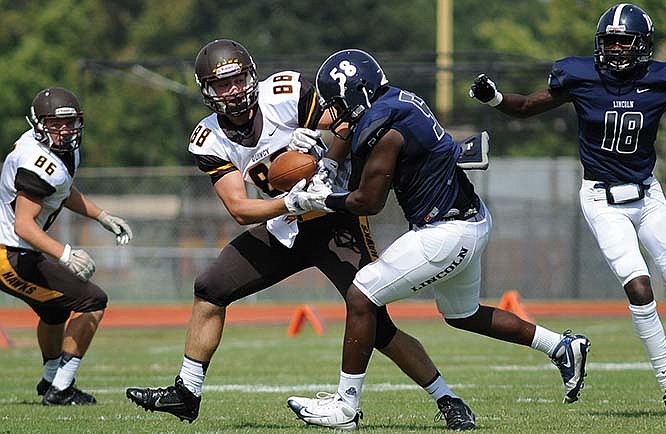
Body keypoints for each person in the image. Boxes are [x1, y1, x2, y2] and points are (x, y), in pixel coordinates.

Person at [125, 39, 474, 428]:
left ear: (251, 76)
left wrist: (325, 152)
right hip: (285, 225)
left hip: (333, 220)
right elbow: (240, 209)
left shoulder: (286, 95)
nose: (234, 90)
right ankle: (186, 393)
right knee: (210, 288)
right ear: (206, 91)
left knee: (374, 321)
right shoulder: (208, 138)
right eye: (222, 85)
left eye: (238, 79)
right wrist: (291, 205)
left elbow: (352, 121)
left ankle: (448, 399)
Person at [285, 48, 591, 431]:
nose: (335, 114)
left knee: (361, 295)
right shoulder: (397, 100)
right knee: (463, 314)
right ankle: (560, 346)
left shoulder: (383, 129)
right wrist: (324, 152)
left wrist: (314, 198)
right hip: (471, 221)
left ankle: (345, 406)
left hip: (445, 233)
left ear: (356, 95)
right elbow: (361, 152)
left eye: (337, 105)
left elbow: (368, 201)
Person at [468, 2, 666, 414]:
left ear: (642, 46)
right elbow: (526, 107)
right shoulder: (581, 76)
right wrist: (495, 98)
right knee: (639, 286)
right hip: (602, 198)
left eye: (624, 42)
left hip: (648, 196)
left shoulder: (660, 79)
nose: (615, 50)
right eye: (609, 42)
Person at [0, 87, 133, 405]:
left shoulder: (63, 152)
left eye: (70, 122)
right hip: (8, 254)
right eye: (55, 124)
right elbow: (24, 224)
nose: (64, 130)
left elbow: (61, 189)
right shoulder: (36, 160)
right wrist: (66, 254)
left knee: (55, 312)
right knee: (94, 300)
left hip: (18, 249)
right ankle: (61, 389)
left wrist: (100, 215)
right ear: (38, 124)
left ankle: (49, 383)